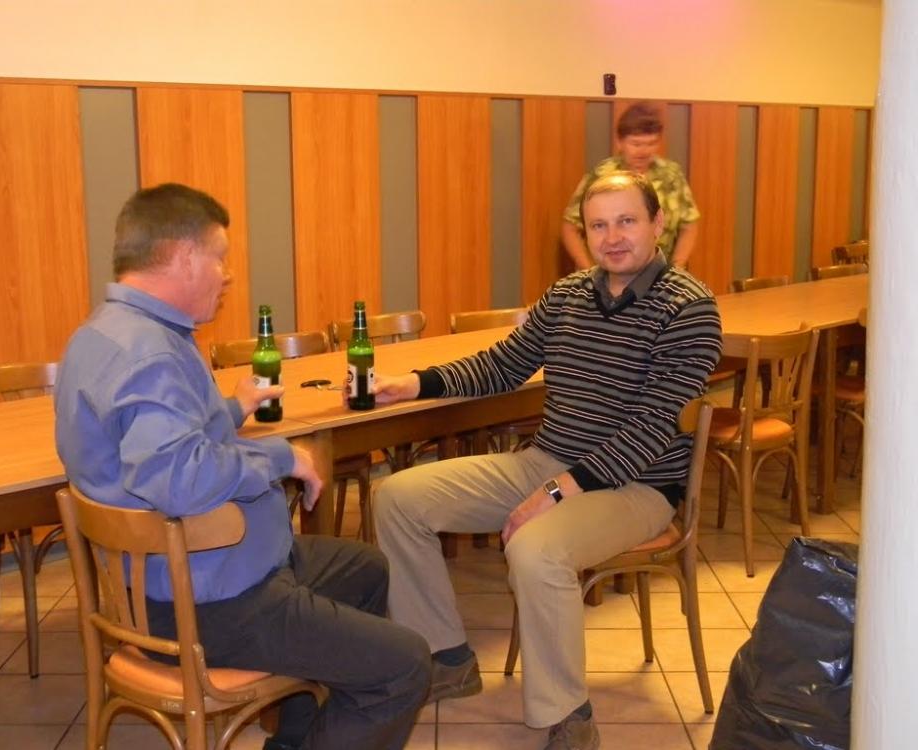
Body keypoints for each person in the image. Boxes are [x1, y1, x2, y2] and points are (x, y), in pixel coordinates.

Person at [54, 183, 430, 750]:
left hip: (162, 581)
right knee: (405, 666)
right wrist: (282, 456)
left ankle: (297, 737)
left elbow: (154, 440)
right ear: (185, 256)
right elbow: (180, 480)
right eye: (220, 257)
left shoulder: (100, 334)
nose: (227, 275)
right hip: (207, 601)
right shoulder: (151, 353)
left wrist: (231, 410)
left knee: (365, 569)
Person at [371, 172, 722, 750]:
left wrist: (556, 492)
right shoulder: (568, 295)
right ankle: (447, 658)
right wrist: (413, 383)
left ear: (658, 224)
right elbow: (502, 365)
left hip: (637, 487)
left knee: (535, 549)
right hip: (547, 460)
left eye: (627, 221)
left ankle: (568, 716)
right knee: (397, 497)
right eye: (598, 225)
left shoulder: (689, 309)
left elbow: (652, 427)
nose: (612, 237)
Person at [561, 101, 700, 270]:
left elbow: (689, 225)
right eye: (636, 144)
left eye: (651, 144)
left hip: (660, 275)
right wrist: (589, 272)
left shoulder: (671, 175)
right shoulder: (601, 175)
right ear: (620, 143)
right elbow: (570, 227)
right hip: (608, 276)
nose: (643, 152)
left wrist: (676, 268)